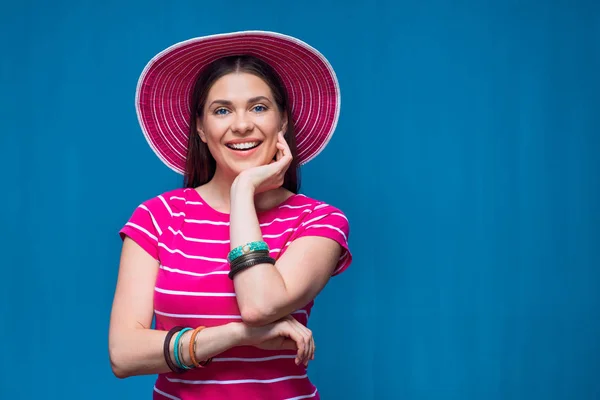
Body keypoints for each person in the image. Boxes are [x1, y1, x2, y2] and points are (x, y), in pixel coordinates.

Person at [108, 31, 352, 400]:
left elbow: (260, 305)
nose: (241, 125)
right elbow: (123, 355)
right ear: (201, 129)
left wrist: (242, 191)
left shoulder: (318, 220)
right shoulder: (158, 216)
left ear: (282, 121)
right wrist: (234, 336)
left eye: (259, 107)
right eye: (222, 110)